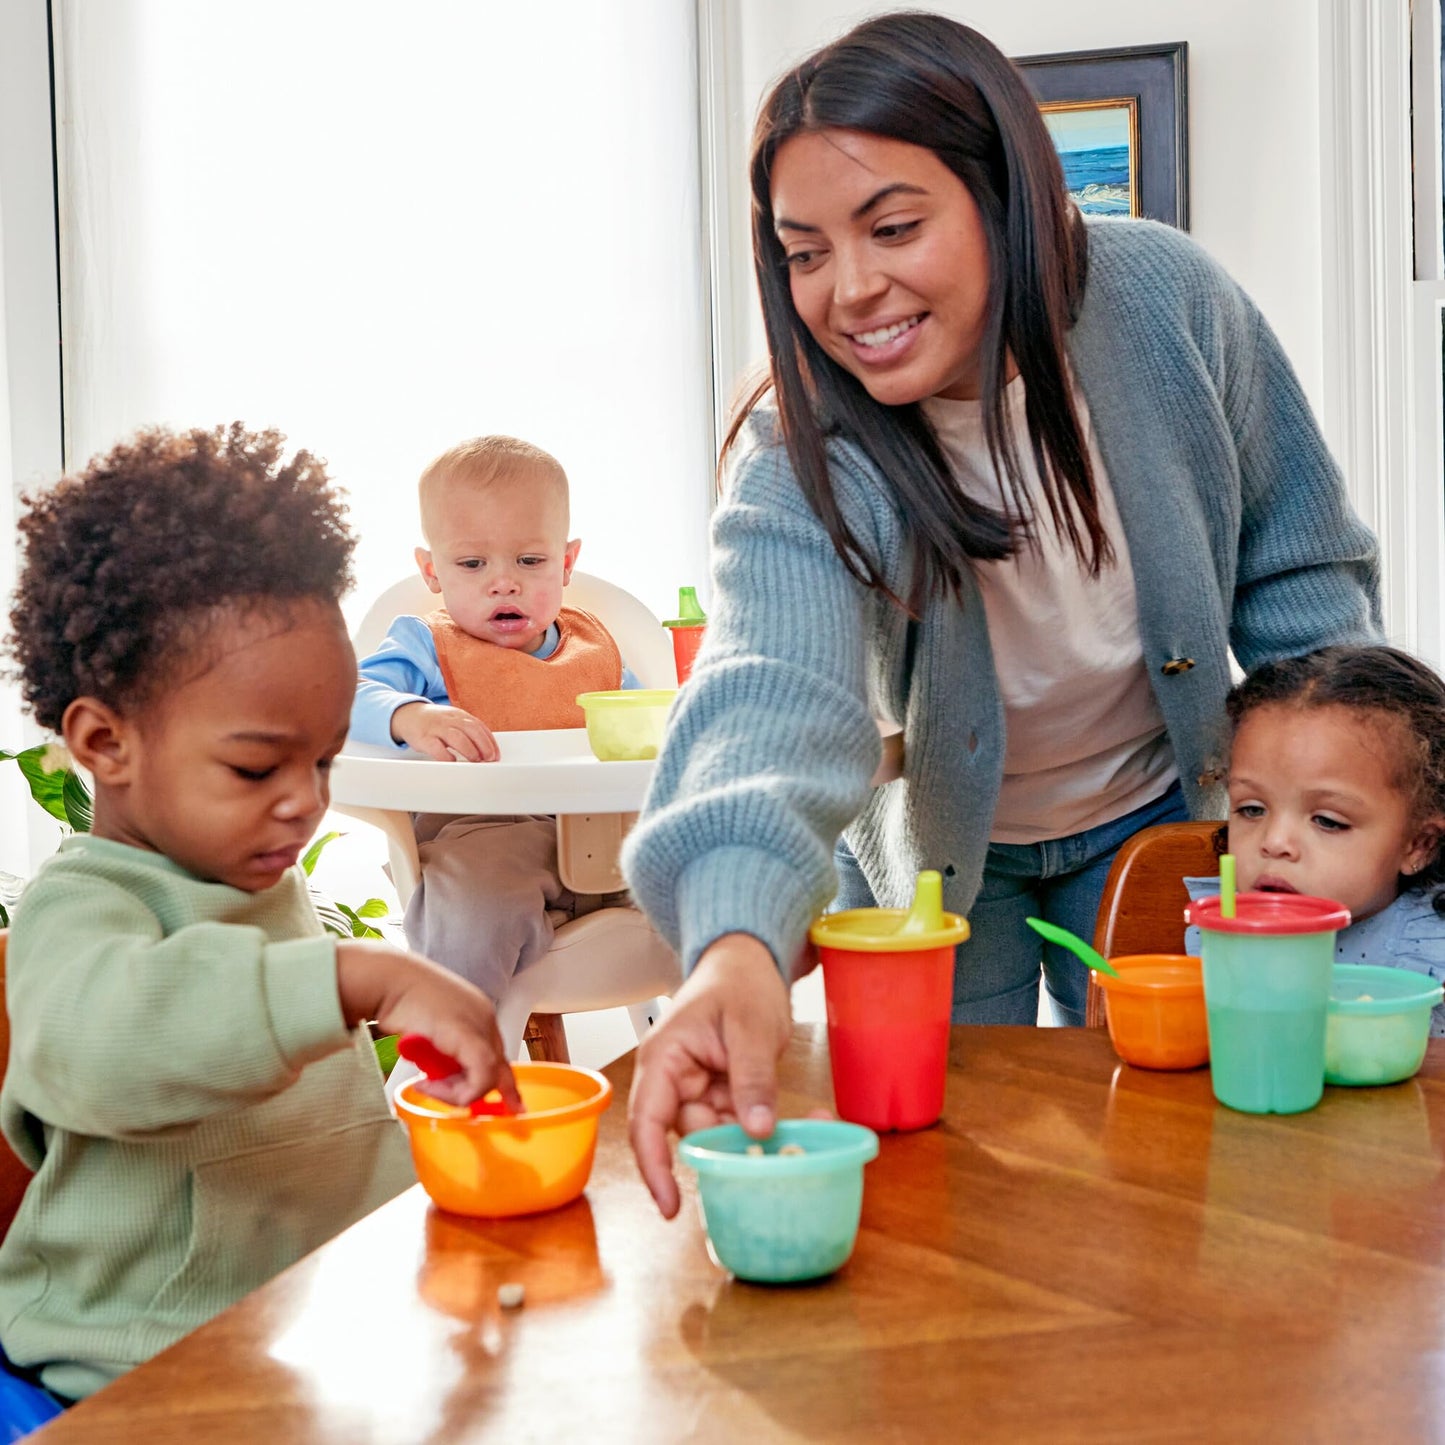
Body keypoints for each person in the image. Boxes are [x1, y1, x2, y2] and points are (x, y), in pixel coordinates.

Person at [620, 10, 1382, 1217]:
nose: (848, 289)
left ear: (1005, 195)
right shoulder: (799, 445)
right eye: (802, 250)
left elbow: (1296, 581)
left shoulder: (1169, 300)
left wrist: (1353, 814)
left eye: (893, 227)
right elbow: (772, 692)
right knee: (950, 1165)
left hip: (1149, 816)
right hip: (936, 869)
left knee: (1170, 1159)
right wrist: (736, 947)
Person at [0, 423, 519, 1407]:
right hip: (129, 1366)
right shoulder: (81, 911)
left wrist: (429, 1142)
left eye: (322, 760)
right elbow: (113, 1044)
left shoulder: (263, 885)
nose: (304, 800)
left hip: (309, 1337)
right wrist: (355, 976)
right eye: (255, 766)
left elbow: (309, 1141)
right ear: (105, 741)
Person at [351, 436, 639, 1004]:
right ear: (432, 571)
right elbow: (343, 694)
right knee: (476, 898)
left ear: (567, 562)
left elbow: (646, 737)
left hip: (605, 840)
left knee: (716, 865)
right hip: (481, 836)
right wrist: (409, 715)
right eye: (472, 563)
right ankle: (456, 1029)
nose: (503, 581)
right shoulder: (424, 643)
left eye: (530, 561)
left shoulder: (598, 649)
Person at [1180, 646, 1445, 1036]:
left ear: (1418, 844)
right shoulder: (1219, 934)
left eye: (1327, 820)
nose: (1274, 842)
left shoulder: (1432, 949)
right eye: (1252, 809)